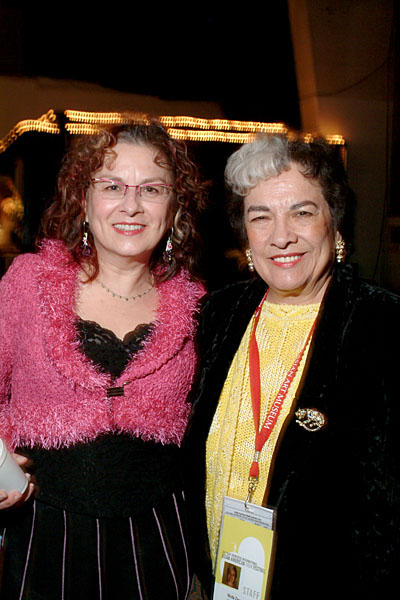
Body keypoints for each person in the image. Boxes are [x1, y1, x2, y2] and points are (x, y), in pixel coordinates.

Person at [184, 134, 400, 598]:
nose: (281, 236)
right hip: (217, 581)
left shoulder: (384, 327)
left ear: (334, 224)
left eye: (302, 212)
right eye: (260, 217)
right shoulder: (217, 315)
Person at [0, 120, 208, 599]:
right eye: (112, 186)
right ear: (84, 198)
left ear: (175, 206)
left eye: (151, 189)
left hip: (158, 539)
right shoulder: (27, 282)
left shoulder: (200, 305)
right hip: (45, 535)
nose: (131, 205)